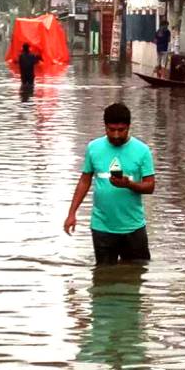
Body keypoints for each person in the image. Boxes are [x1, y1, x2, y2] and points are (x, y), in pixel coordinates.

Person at [64, 103, 156, 265]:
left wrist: (129, 184)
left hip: (133, 227)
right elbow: (85, 180)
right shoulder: (94, 148)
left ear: (128, 127)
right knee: (103, 276)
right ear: (105, 127)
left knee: (136, 274)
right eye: (111, 130)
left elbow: (150, 186)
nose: (115, 135)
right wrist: (72, 213)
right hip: (102, 227)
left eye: (121, 130)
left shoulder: (142, 150)